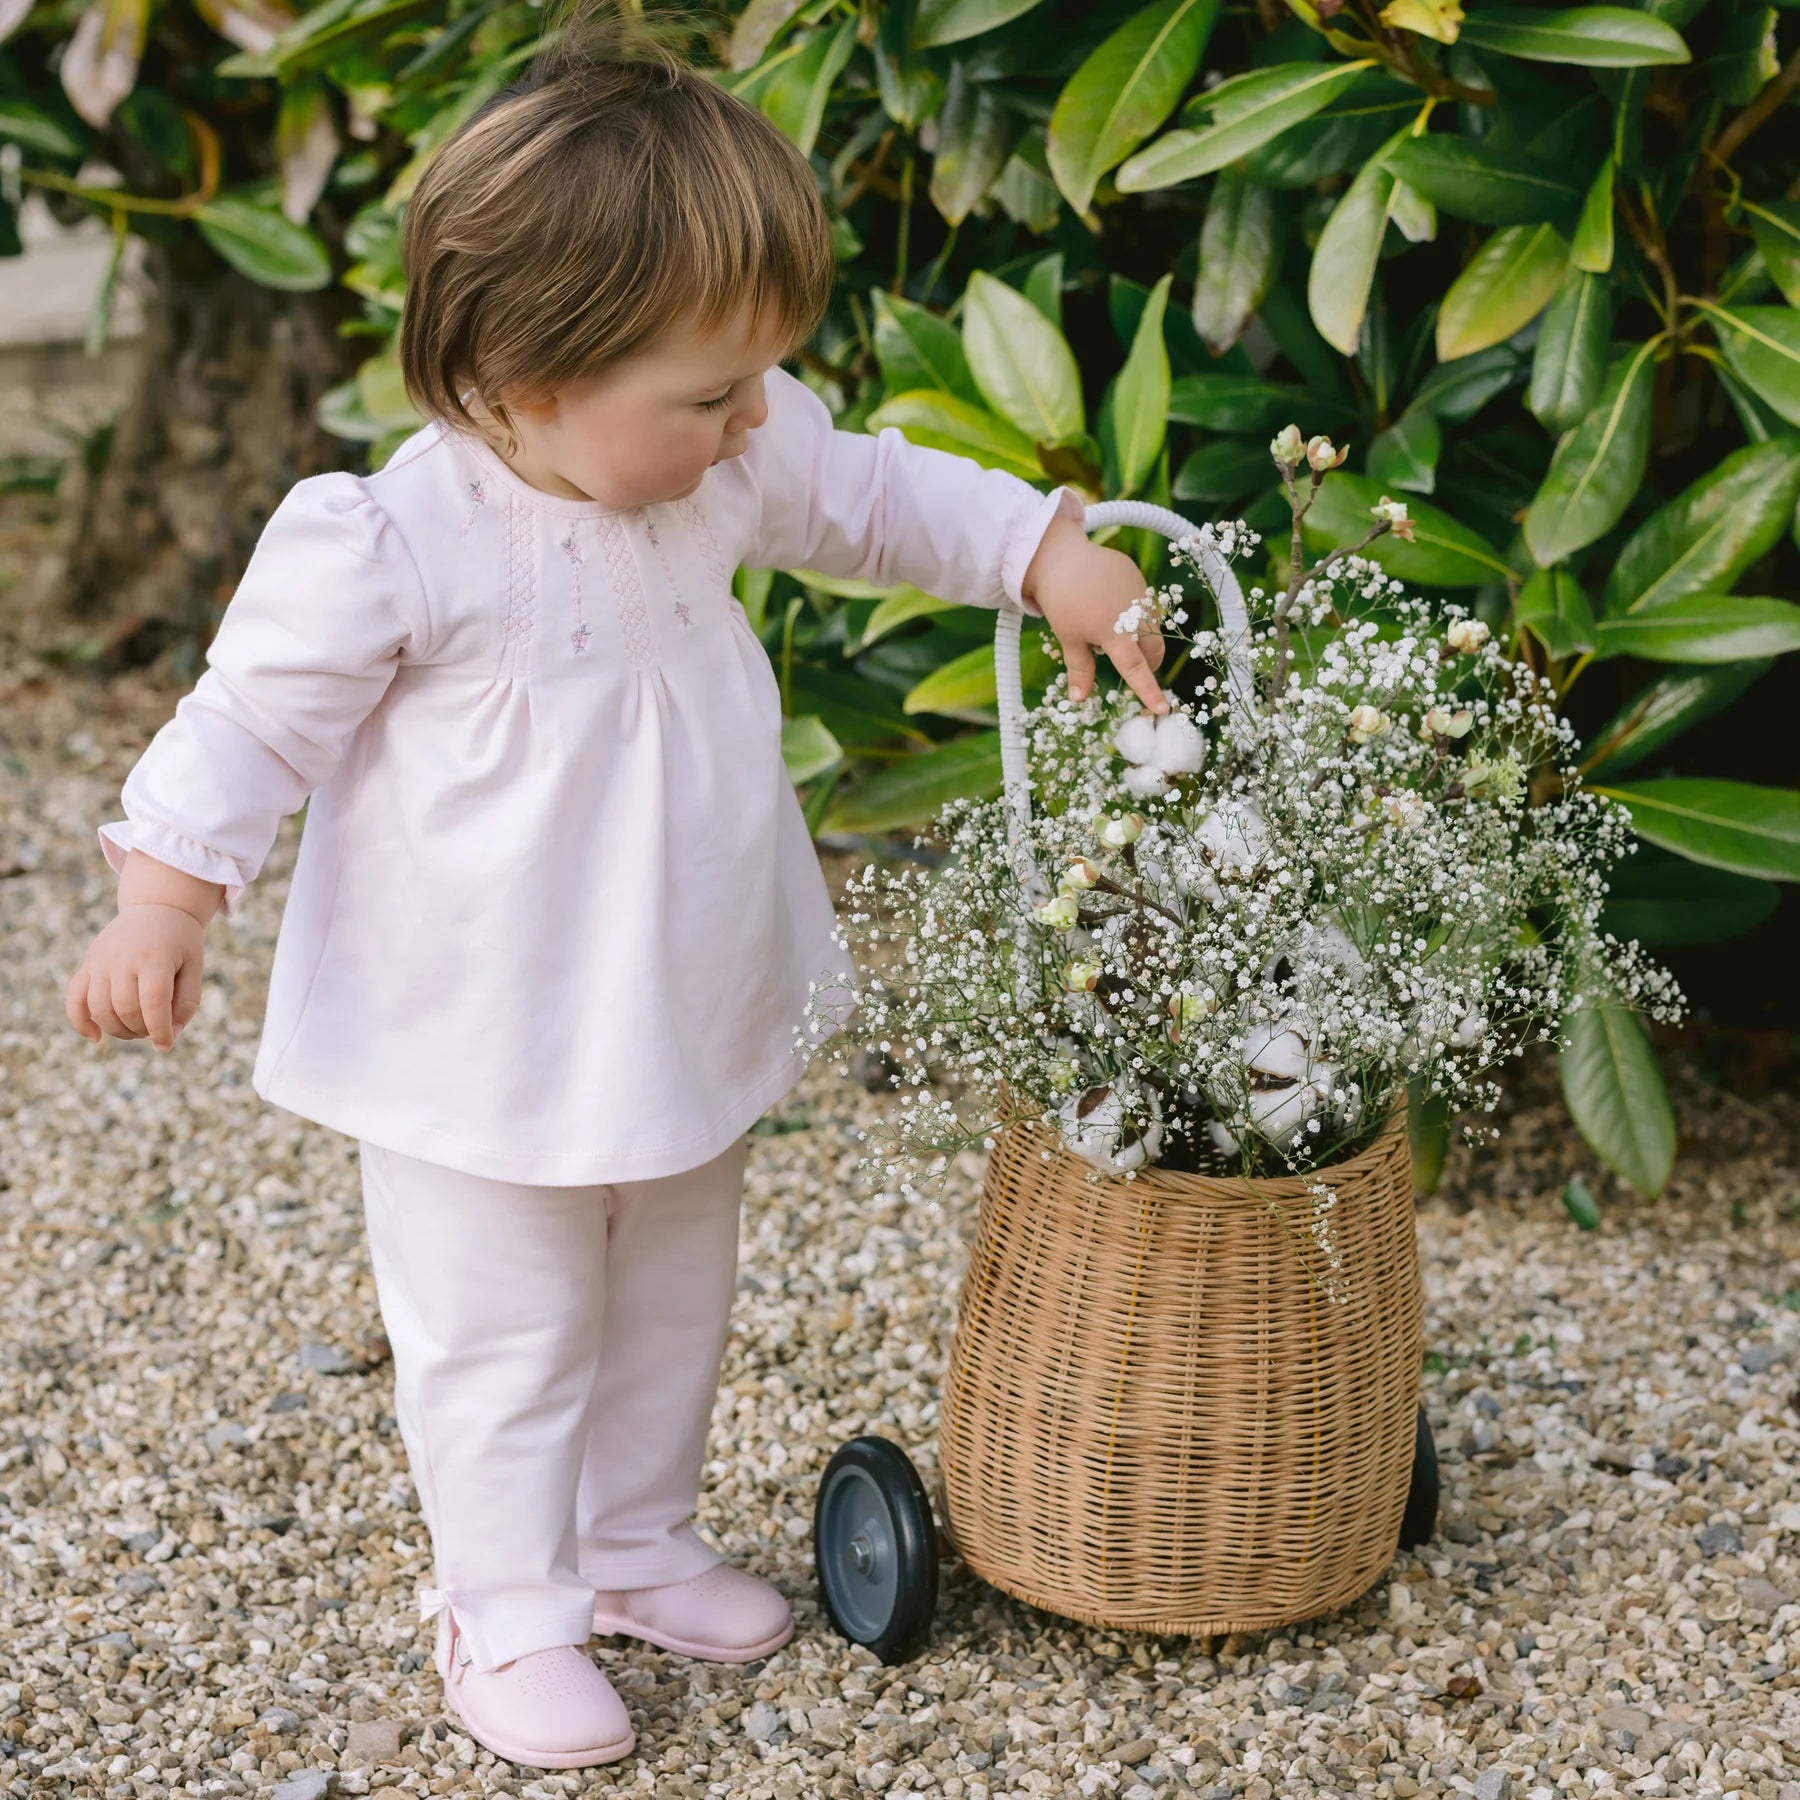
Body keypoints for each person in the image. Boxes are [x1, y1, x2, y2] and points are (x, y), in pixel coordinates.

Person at [62, 18, 1167, 1773]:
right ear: (517, 377)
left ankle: (636, 1544)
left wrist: (1040, 551)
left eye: (755, 384)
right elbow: (250, 718)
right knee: (502, 1330)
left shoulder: (726, 456)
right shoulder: (391, 540)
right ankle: (501, 1607)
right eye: (708, 393)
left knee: (669, 1287)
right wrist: (164, 898)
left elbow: (875, 493)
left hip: (673, 985)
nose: (750, 425)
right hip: (474, 1034)